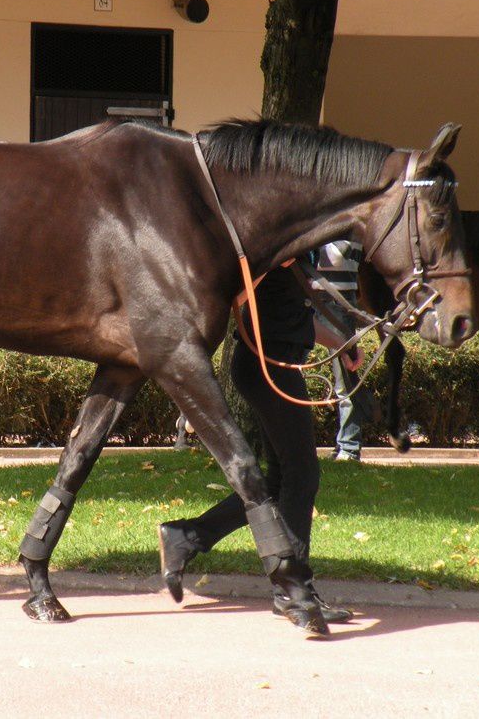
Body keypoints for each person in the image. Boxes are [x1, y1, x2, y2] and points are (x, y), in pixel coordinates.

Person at [158, 259, 361, 625]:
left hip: (274, 364)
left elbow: (293, 322)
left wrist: (343, 342)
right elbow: (231, 295)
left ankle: (186, 537)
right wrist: (263, 267)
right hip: (267, 367)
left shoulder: (295, 254)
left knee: (279, 480)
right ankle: (294, 589)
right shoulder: (269, 251)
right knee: (302, 475)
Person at [318, 240, 376, 462]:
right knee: (291, 370)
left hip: (338, 296)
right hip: (305, 291)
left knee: (346, 377)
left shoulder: (347, 214)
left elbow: (340, 255)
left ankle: (349, 448)